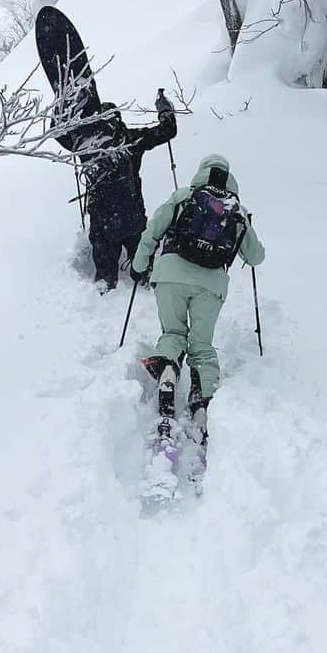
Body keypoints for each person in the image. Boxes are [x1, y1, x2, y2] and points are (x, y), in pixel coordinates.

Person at [131, 153, 264, 460]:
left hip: (171, 274)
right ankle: (201, 405)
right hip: (211, 285)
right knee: (201, 346)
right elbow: (255, 257)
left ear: (201, 170)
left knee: (173, 331)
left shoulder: (184, 197)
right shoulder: (237, 210)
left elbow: (153, 229)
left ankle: (167, 373)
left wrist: (140, 264)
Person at [58, 92, 177, 292]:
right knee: (143, 265)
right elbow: (168, 131)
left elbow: (58, 132)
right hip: (132, 215)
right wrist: (164, 110)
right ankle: (147, 286)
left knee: (105, 278)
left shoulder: (85, 145)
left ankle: (102, 298)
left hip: (102, 220)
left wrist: (70, 110)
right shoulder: (131, 139)